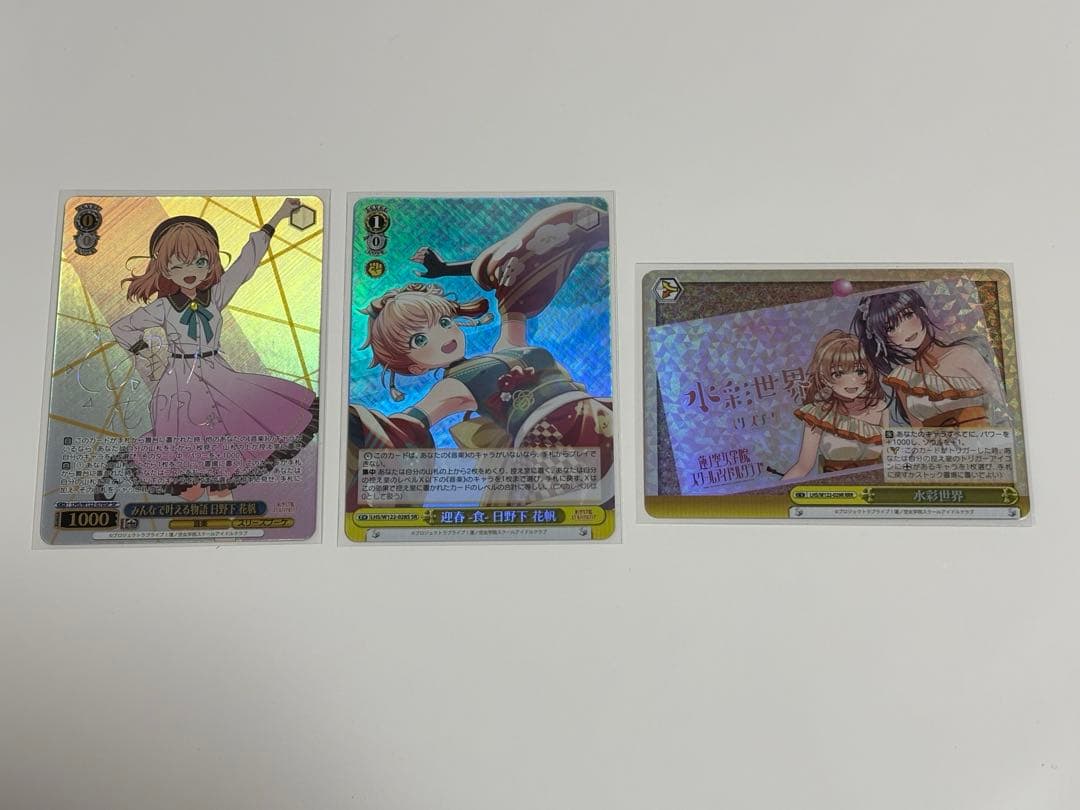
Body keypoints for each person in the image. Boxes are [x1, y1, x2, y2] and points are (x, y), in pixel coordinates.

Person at [103, 199, 318, 501]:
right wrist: (143, 350)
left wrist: (278, 217)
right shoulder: (164, 307)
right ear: (163, 268)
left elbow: (245, 264)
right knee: (185, 465)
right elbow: (122, 327)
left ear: (211, 262)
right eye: (177, 265)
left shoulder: (215, 296)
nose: (189, 271)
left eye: (199, 262)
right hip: (179, 380)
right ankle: (152, 479)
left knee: (227, 452)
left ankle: (222, 506)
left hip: (218, 373)